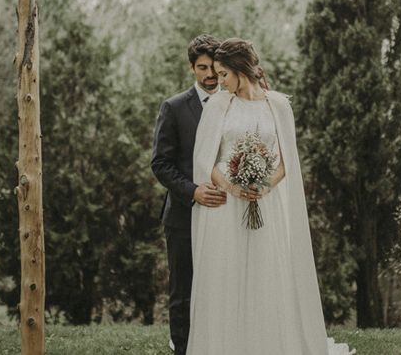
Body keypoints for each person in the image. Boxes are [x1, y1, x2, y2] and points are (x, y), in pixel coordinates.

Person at [187, 38, 355, 355]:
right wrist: (234, 188)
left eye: (224, 74)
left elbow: (286, 160)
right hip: (226, 204)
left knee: (267, 277)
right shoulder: (219, 105)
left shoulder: (277, 105)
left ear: (240, 69)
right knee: (230, 277)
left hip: (267, 202)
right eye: (217, 74)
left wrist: (265, 186)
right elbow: (204, 161)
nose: (219, 81)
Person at [151, 34, 229, 355]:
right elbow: (160, 163)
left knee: (220, 287)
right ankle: (182, 349)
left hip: (224, 214)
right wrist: (194, 192)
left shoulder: (232, 103)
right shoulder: (174, 107)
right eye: (202, 68)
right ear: (191, 68)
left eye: (214, 67)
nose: (210, 75)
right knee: (183, 290)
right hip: (183, 215)